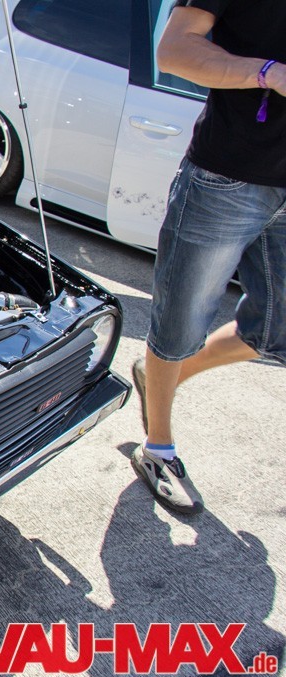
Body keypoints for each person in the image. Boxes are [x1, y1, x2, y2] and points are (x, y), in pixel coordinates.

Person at [132, 0, 286, 515]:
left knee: (275, 332)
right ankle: (158, 448)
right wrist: (268, 73)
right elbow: (175, 51)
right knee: (178, 326)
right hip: (228, 177)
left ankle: (160, 374)